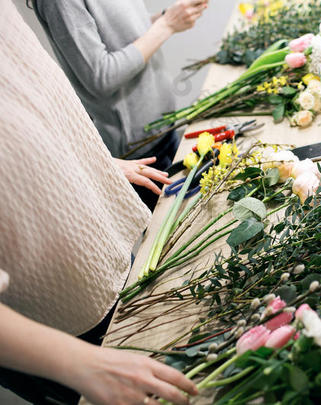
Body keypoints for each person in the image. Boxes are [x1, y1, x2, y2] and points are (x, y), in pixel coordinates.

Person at [0, 2, 197, 404]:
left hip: (105, 263)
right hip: (56, 321)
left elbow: (31, 114)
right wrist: (78, 362)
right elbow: (100, 76)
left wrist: (93, 161)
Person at [32, 0, 209, 209]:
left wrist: (166, 17)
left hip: (165, 123)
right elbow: (101, 77)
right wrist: (167, 25)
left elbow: (123, 35)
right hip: (140, 149)